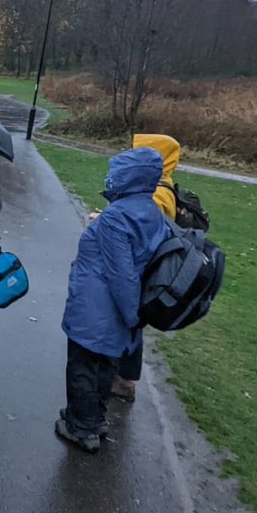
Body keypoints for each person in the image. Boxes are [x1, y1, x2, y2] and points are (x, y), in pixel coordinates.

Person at [56, 147, 168, 454]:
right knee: (105, 366)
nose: (110, 177)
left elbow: (122, 274)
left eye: (116, 172)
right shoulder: (150, 212)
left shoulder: (116, 219)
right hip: (119, 313)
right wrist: (133, 319)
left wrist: (131, 315)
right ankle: (95, 418)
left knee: (82, 367)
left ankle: (81, 428)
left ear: (129, 177)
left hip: (98, 307)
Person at [110, 133, 183, 402]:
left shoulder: (160, 194)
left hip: (141, 269)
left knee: (130, 321)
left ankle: (123, 380)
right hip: (139, 265)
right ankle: (120, 375)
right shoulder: (156, 187)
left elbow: (141, 224)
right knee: (127, 321)